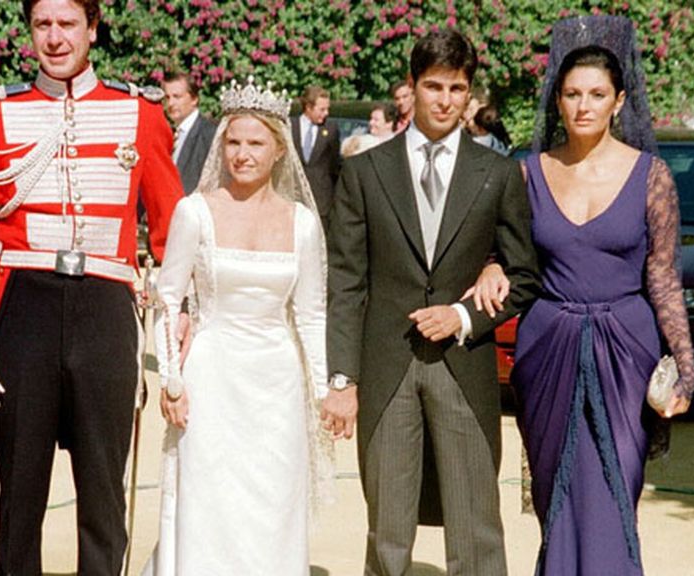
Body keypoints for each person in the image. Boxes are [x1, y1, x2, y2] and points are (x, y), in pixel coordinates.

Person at [0, 0, 183, 573]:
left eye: (68, 24)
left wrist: (183, 319)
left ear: (93, 29)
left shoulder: (140, 113)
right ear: (30, 30)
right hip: (21, 308)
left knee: (104, 491)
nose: (55, 38)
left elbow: (174, 227)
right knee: (20, 493)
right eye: (42, 25)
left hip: (105, 306)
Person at [466, 16, 694, 575]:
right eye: (572, 94)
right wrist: (493, 267)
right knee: (558, 494)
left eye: (597, 94)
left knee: (616, 490)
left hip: (627, 351)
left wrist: (686, 368)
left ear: (620, 101)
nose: (583, 106)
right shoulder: (526, 174)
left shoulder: (652, 176)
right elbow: (506, 253)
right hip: (548, 351)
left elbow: (663, 276)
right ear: (558, 100)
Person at [324, 28, 540, 576]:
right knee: (389, 534)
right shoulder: (364, 171)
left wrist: (464, 315)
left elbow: (523, 276)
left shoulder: (496, 175)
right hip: (386, 367)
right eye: (434, 86)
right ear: (413, 87)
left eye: (458, 88)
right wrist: (343, 380)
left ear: (470, 95)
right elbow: (346, 282)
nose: (445, 100)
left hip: (464, 370)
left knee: (476, 531)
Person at [142, 78, 335, 575]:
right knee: (210, 506)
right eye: (233, 141)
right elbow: (168, 298)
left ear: (278, 150)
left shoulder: (302, 224)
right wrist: (172, 379)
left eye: (255, 143)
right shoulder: (195, 212)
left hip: (277, 384)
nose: (242, 154)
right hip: (211, 377)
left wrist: (321, 394)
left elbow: (312, 313)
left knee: (272, 508)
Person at [291, 85, 340, 230]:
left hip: (321, 202)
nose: (326, 113)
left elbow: (334, 166)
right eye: (322, 109)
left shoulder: (331, 128)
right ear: (308, 107)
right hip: (294, 197)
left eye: (327, 109)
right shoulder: (289, 126)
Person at [162, 70, 217, 194]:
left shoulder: (209, 132)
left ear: (194, 99)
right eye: (167, 97)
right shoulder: (170, 135)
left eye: (177, 97)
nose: (170, 103)